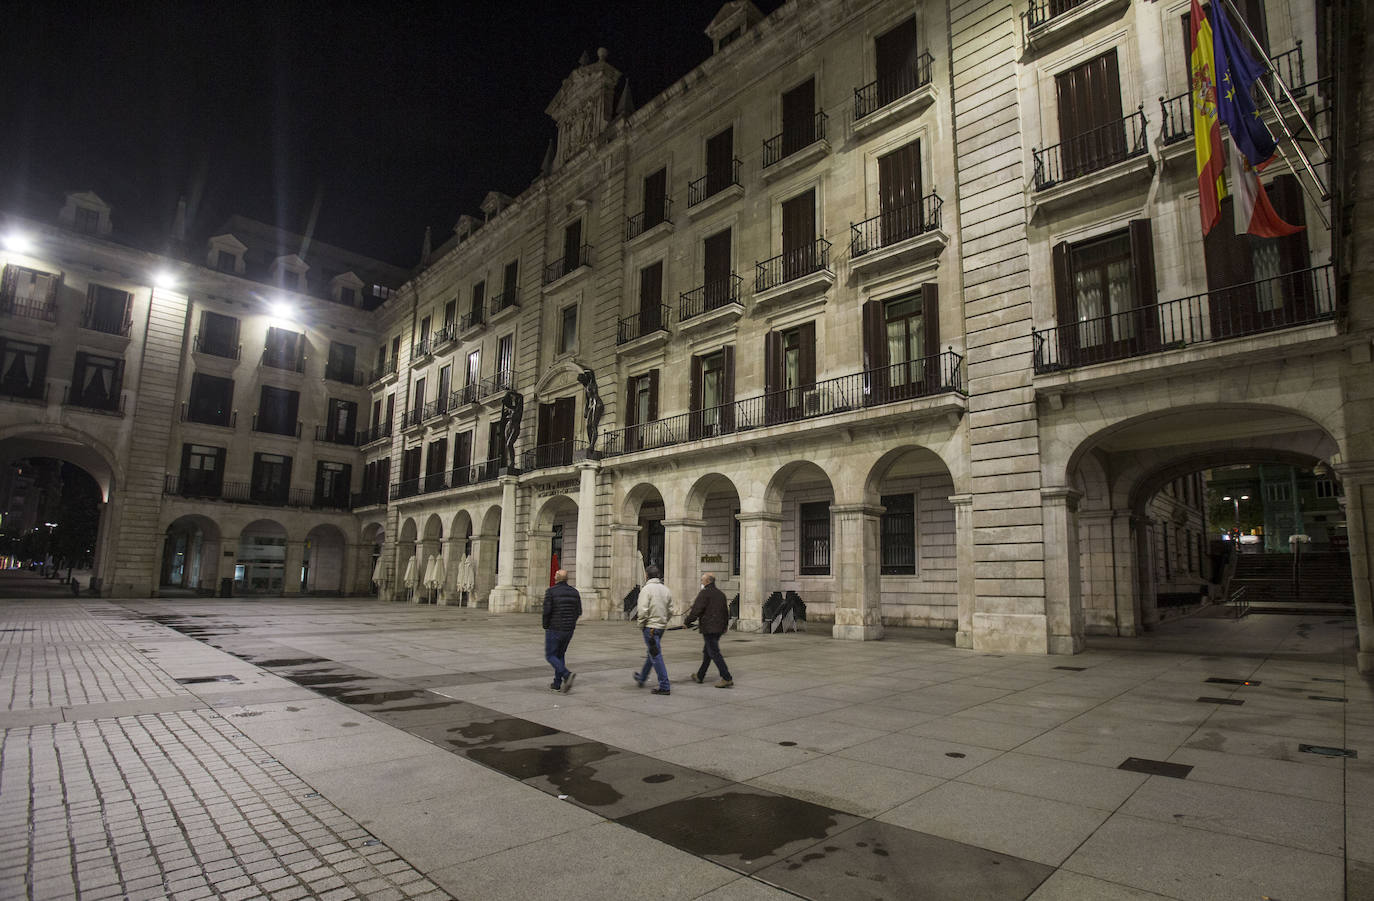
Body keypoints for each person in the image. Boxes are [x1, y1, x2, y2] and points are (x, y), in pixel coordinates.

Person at [683, 573, 733, 688]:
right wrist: (725, 626)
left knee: (714, 652)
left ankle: (727, 677)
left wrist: (687, 622)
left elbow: (697, 610)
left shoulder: (704, 593)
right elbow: (726, 612)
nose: (701, 582)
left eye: (702, 580)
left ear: (708, 581)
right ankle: (700, 675)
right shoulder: (721, 594)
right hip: (719, 628)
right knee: (708, 652)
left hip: (709, 628)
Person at [633, 565, 673, 695]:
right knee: (653, 652)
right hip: (660, 626)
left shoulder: (646, 589)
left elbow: (643, 610)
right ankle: (642, 677)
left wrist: (641, 624)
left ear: (647, 575)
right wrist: (664, 621)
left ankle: (665, 685)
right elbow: (671, 610)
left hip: (650, 627)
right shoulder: (666, 589)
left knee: (656, 655)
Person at [542, 569, 581, 693]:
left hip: (555, 628)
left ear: (557, 578)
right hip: (569, 629)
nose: (553, 576)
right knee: (560, 654)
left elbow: (547, 611)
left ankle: (566, 674)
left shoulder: (551, 592)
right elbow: (578, 611)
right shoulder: (575, 592)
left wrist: (546, 625)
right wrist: (571, 623)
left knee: (550, 655)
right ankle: (557, 683)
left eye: (555, 575)